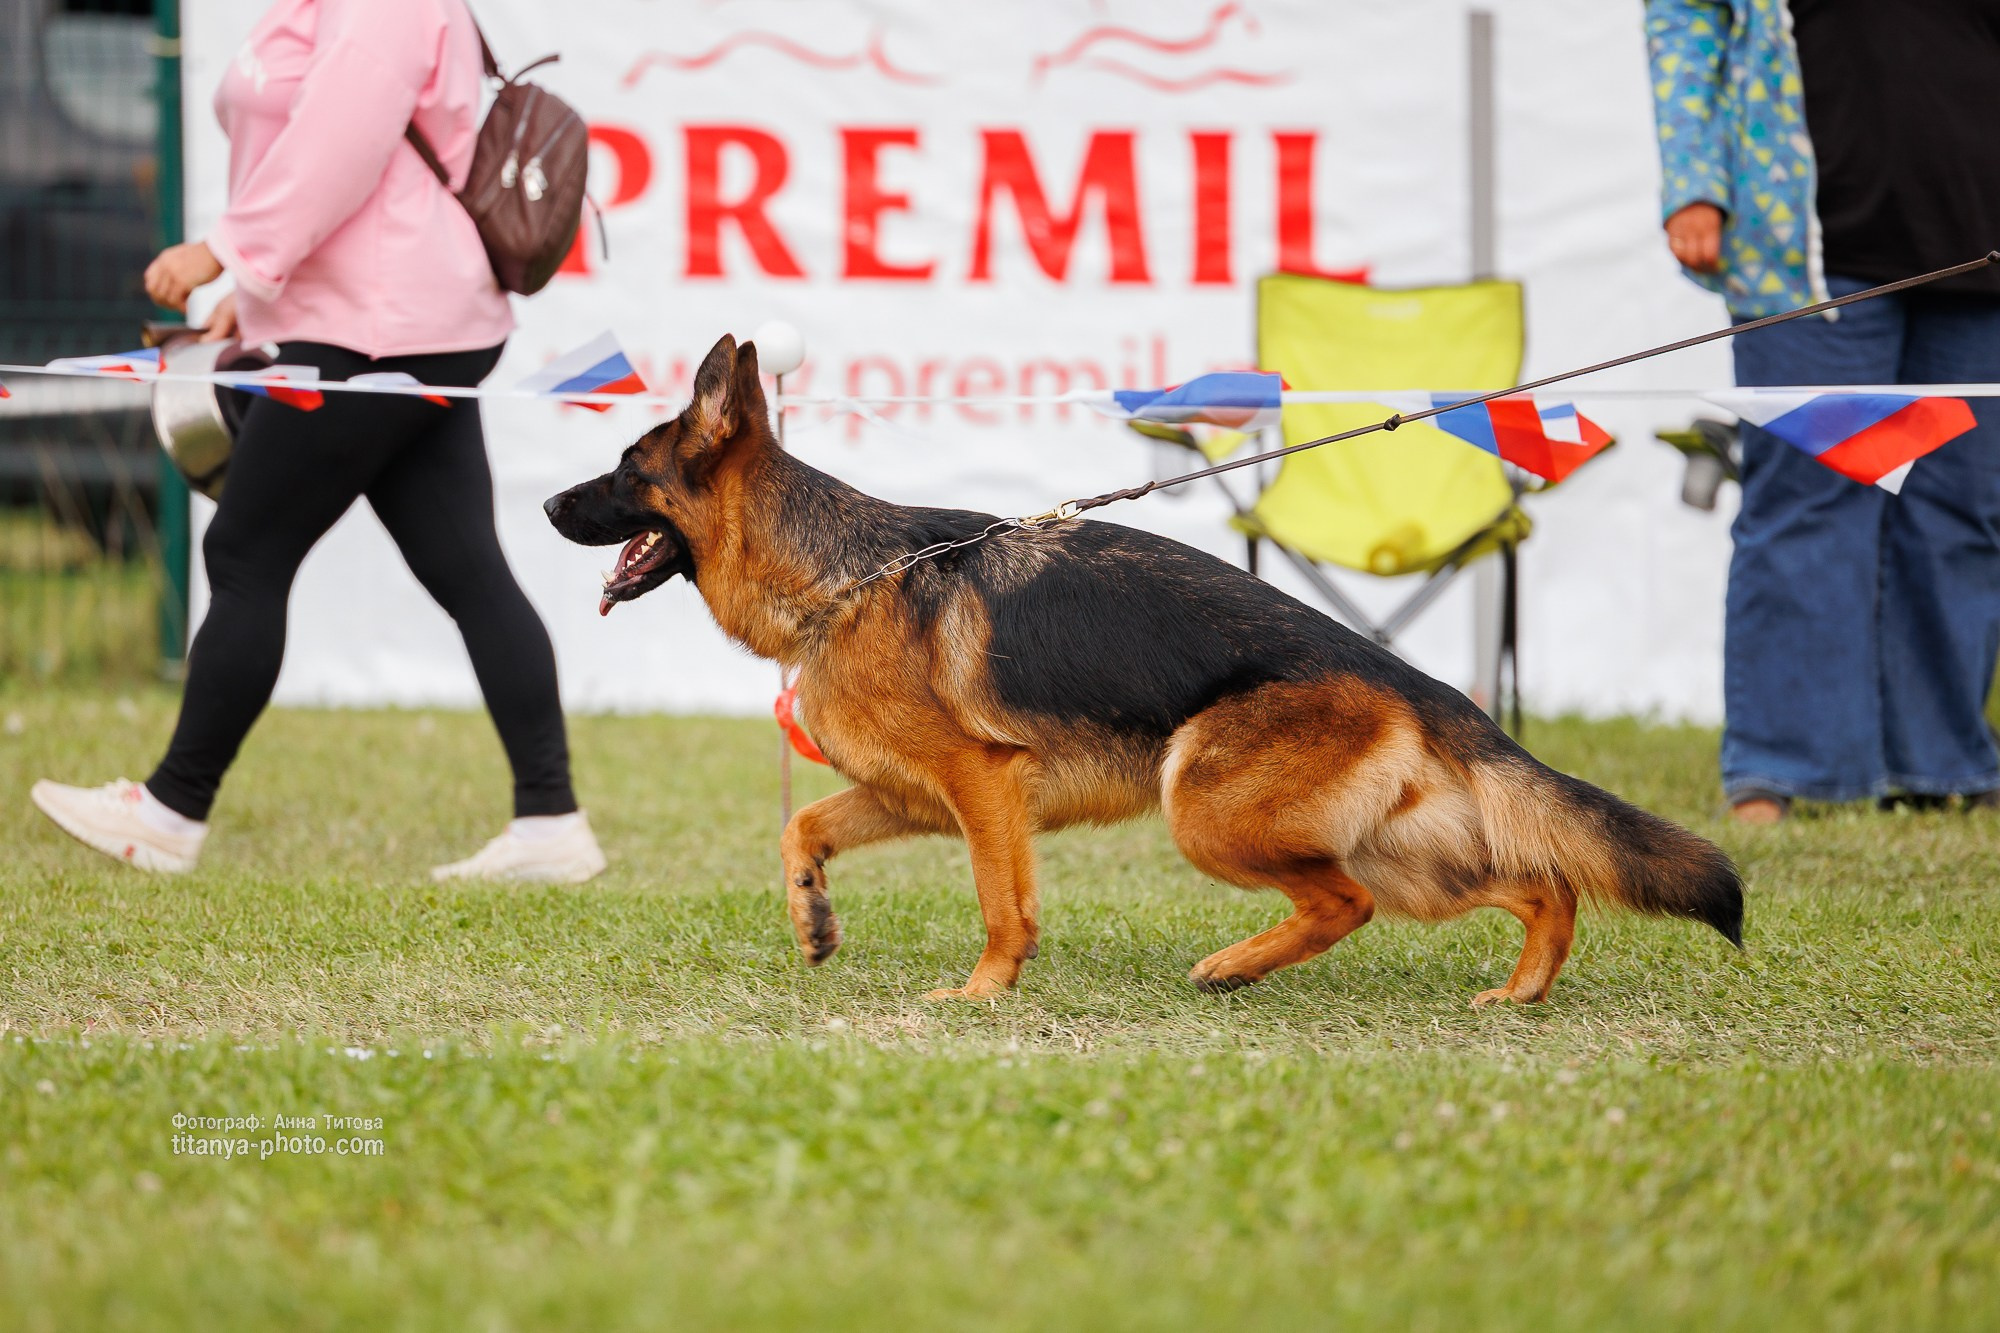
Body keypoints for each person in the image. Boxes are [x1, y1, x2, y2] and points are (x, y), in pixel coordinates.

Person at [30, 0, 605, 881]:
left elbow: (337, 142)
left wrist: (227, 251)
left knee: (248, 548)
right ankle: (549, 822)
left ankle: (172, 810)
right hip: (392, 318)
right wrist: (257, 297)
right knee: (467, 568)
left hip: (376, 329)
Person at [1647, 0, 2000, 822]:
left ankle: (1943, 764)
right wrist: (1694, 180)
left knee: (1961, 512)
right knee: (1809, 502)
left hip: (1978, 231)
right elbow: (1685, 18)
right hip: (1807, 246)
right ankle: (1787, 767)